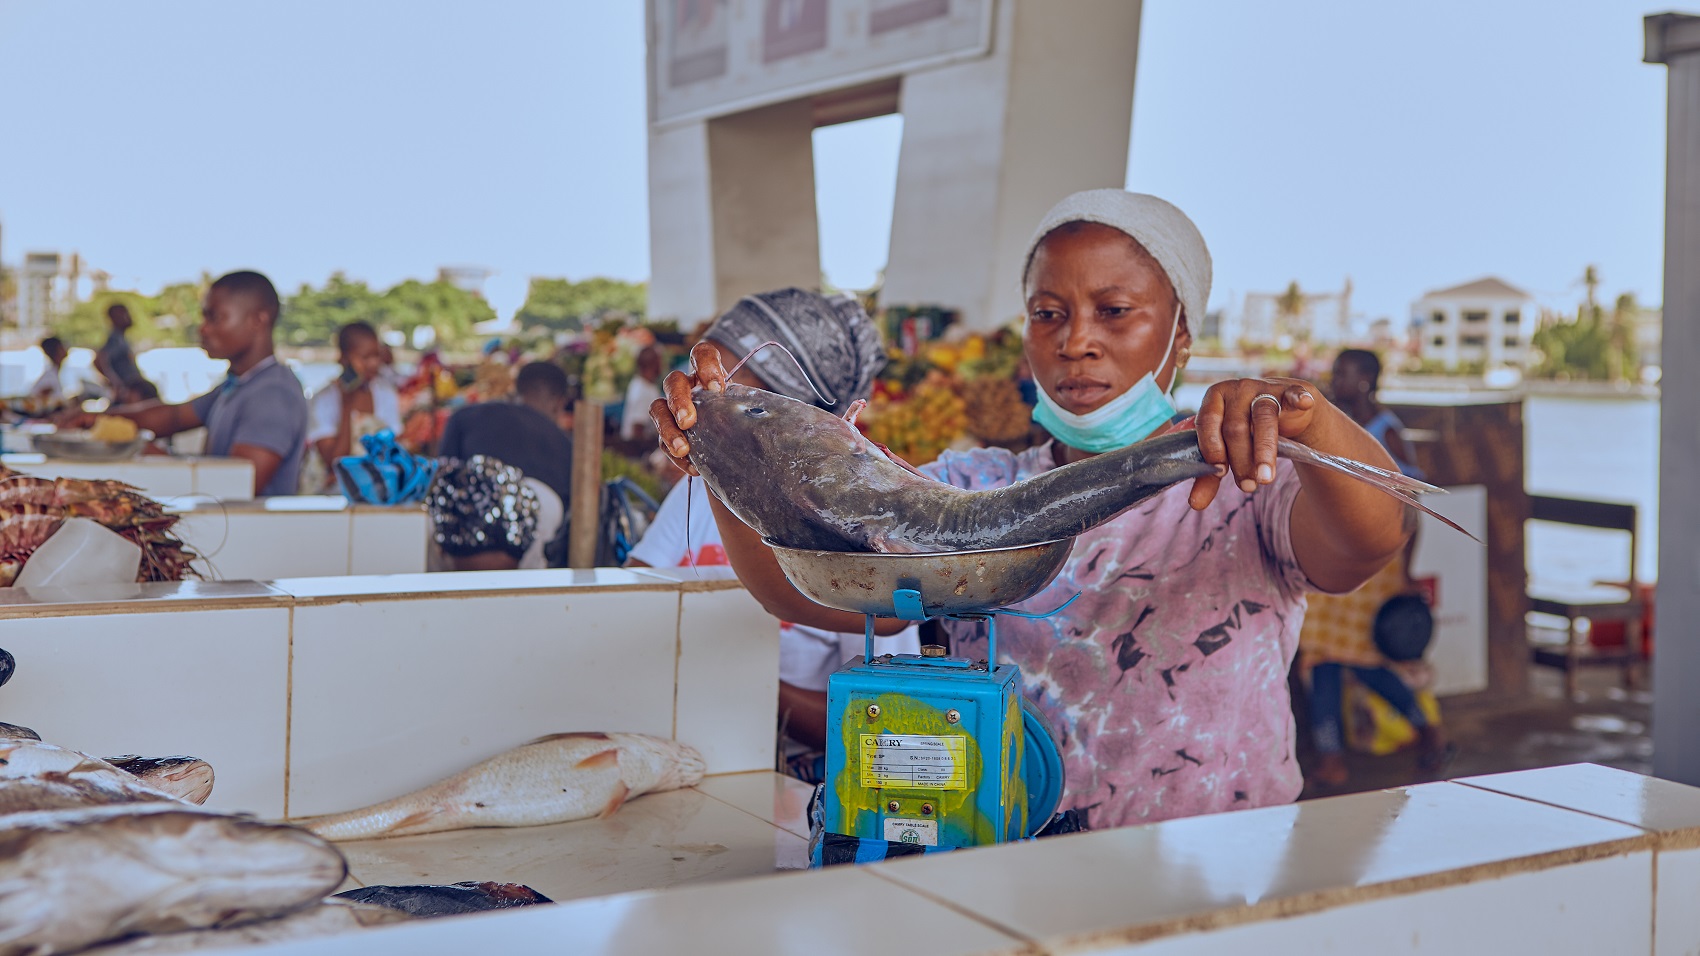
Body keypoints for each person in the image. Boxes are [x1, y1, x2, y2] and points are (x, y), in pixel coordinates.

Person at [653, 190, 1416, 829]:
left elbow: (1368, 542)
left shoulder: (1245, 482)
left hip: (1215, 867)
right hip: (999, 867)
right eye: (1048, 313)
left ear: (1181, 334)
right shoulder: (969, 483)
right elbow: (813, 592)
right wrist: (719, 459)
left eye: (1115, 311)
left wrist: (1305, 418)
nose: (1077, 340)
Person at [625, 289, 920, 765]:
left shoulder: (853, 518)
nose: (701, 394)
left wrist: (736, 678)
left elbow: (880, 726)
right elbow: (631, 591)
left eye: (728, 380)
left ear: (793, 405)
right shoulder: (695, 490)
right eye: (700, 379)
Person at [1297, 348, 1446, 787]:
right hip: (1331, 550)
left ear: (1366, 380)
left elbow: (1411, 504)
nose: (1335, 379)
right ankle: (1331, 758)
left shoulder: (1388, 431)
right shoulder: (1330, 420)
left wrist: (1404, 570)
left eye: (1344, 373)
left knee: (1365, 660)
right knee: (1319, 657)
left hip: (1374, 561)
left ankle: (1428, 731)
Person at [63, 271, 309, 497]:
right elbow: (174, 416)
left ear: (258, 320)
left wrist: (162, 459)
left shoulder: (273, 394)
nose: (203, 328)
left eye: (215, 317)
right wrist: (98, 419)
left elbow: (239, 486)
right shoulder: (238, 385)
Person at [435, 361, 574, 570]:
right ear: (558, 402)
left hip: (462, 550)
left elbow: (441, 477)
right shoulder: (565, 444)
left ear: (515, 389)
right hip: (532, 558)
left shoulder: (465, 416)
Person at [306, 321, 403, 488]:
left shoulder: (386, 394)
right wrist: (347, 404)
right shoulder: (324, 399)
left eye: (376, 356)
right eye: (365, 357)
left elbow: (393, 454)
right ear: (343, 359)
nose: (373, 364)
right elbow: (335, 462)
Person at [94, 304, 147, 396]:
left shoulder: (121, 338)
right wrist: (117, 384)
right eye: (124, 313)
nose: (128, 316)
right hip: (129, 391)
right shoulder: (115, 339)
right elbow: (99, 360)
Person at [620, 346, 665, 443]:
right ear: (653, 364)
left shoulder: (641, 383)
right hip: (638, 448)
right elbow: (637, 427)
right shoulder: (642, 391)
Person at [31, 337, 67, 403]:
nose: (65, 350)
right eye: (62, 347)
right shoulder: (49, 377)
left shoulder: (55, 373)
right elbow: (39, 400)